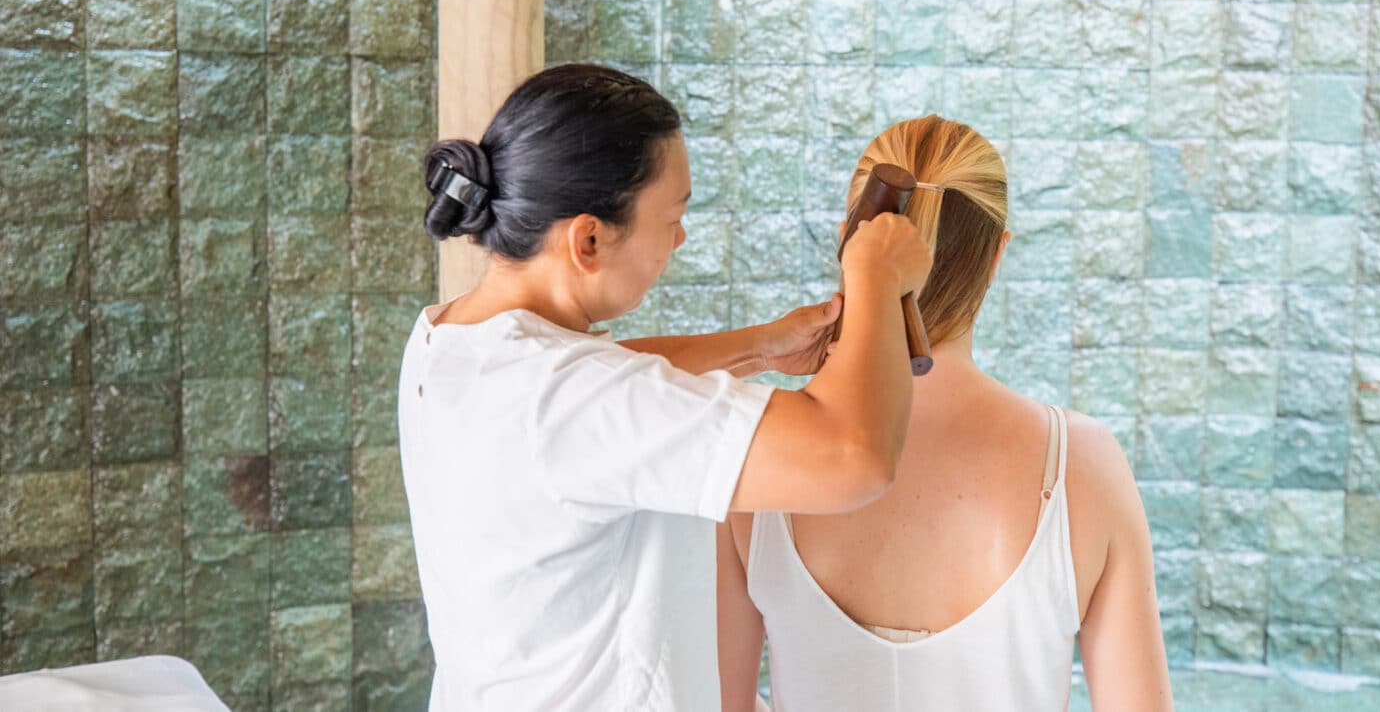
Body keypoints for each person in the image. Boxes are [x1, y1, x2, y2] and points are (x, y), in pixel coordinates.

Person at [395, 64, 933, 711]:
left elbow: (600, 377)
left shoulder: (448, 338)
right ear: (588, 238)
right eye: (673, 216)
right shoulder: (570, 399)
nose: (680, 237)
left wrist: (758, 346)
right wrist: (875, 273)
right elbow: (856, 457)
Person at [717, 116, 1172, 712]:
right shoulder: (1081, 466)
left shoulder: (753, 457)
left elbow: (715, 697)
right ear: (997, 253)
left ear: (849, 239)